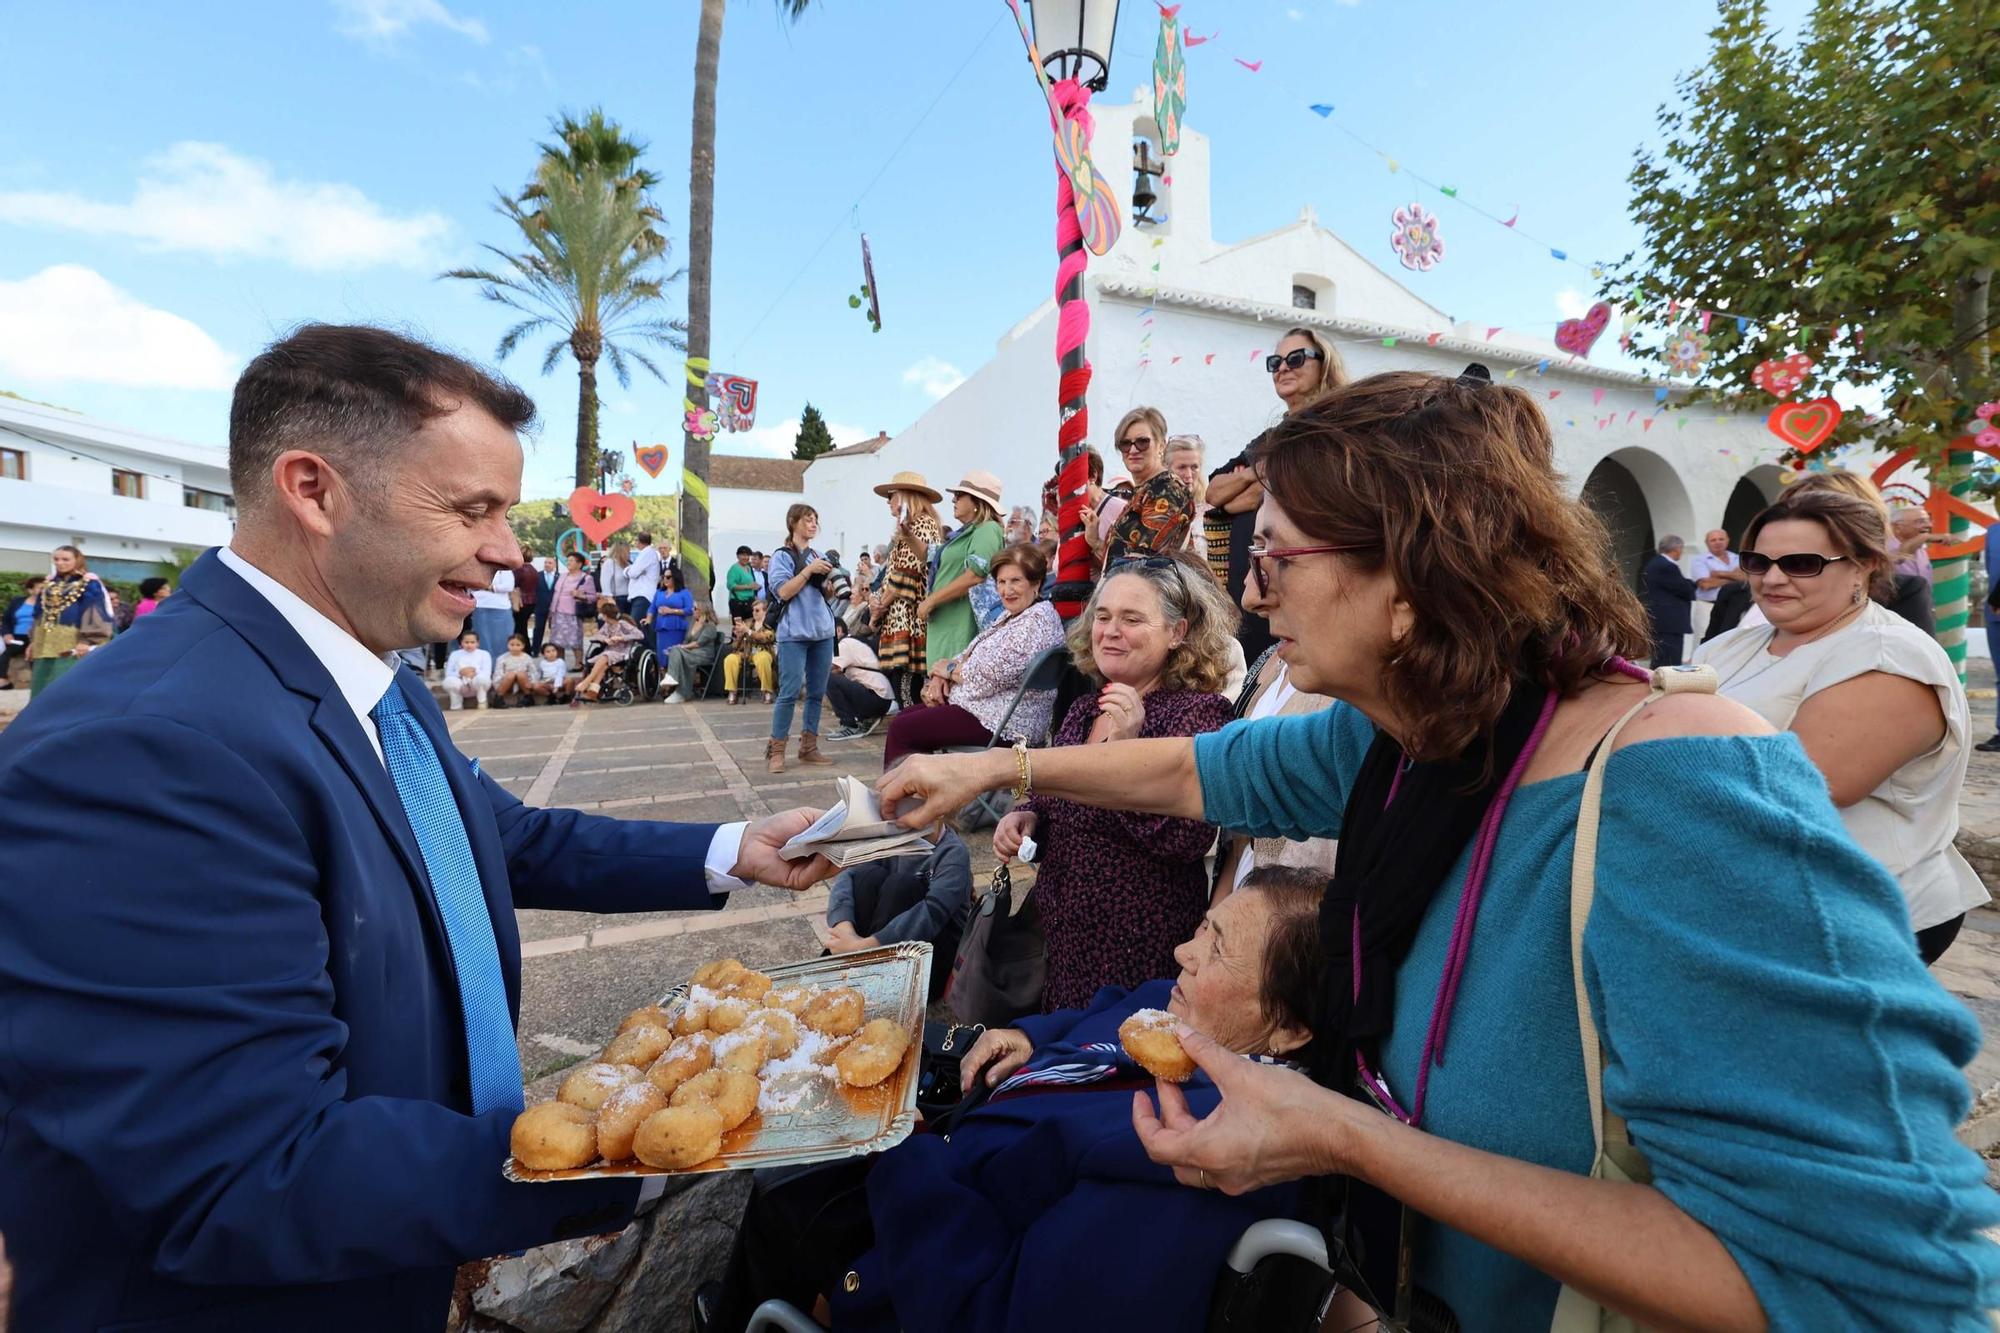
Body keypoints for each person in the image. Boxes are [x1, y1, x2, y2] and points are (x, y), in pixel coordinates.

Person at [880, 367, 2000, 1329]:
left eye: (1274, 559)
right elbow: (1193, 771)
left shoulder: (1684, 791)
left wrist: (1352, 1143)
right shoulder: (1423, 738)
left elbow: (1868, 1287)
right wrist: (996, 769)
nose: (1255, 597)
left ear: (1409, 580)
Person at [0, 324, 834, 1333]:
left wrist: (727, 848)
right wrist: (640, 1145)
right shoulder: (149, 746)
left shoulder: (366, 673)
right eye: (472, 508)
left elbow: (498, 837)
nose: (508, 552)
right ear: (313, 490)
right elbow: (248, 1169)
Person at [698, 866, 1326, 1333]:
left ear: (1289, 1030)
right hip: (976, 1115)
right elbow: (1111, 1005)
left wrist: (907, 1150)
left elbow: (987, 1312)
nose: (1182, 953)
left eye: (1216, 950)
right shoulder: (1184, 1014)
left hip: (930, 1224)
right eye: (1201, 929)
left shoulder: (1195, 1161)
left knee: (785, 1196)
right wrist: (1029, 1033)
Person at [1695, 484, 1989, 963]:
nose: (1772, 579)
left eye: (1801, 563)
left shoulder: (1888, 655)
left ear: (1864, 565)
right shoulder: (1731, 647)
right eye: (1758, 562)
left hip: (1853, 912)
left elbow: (1811, 780)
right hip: (1754, 901)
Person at [992, 552, 1236, 1011]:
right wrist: (1025, 816)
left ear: (1177, 633)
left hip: (1136, 949)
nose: (1110, 631)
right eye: (1102, 616)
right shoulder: (1086, 709)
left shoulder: (1199, 714)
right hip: (1064, 938)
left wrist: (1127, 749)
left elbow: (1189, 838)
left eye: (1132, 618)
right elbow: (1050, 798)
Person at [1204, 327, 1347, 661]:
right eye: (1275, 361)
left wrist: (1254, 486)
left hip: (1295, 578)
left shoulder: (1334, 425)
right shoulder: (1269, 436)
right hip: (1251, 583)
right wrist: (1259, 473)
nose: (1283, 368)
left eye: (1295, 358)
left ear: (1323, 363)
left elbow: (1285, 487)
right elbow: (1214, 493)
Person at [880, 543, 1065, 768]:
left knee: (903, 729)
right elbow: (969, 653)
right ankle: (919, 794)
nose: (1007, 590)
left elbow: (988, 677)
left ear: (1035, 583)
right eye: (1001, 582)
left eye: (1016, 581)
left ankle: (896, 799)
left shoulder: (1036, 622)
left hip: (1004, 723)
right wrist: (940, 677)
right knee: (904, 719)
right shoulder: (1016, 615)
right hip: (986, 709)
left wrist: (947, 671)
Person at [1210, 643, 1337, 906]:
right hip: (1243, 884)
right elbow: (1241, 826)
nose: (1252, 600)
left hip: (1300, 909)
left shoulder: (1345, 670)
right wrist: (1219, 906)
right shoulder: (1270, 660)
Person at [824, 828, 972, 992]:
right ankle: (857, 966)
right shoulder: (891, 839)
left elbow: (931, 914)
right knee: (867, 876)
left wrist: (865, 948)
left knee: (901, 885)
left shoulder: (953, 853)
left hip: (932, 957)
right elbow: (848, 877)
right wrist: (846, 932)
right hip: (882, 948)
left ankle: (870, 972)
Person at [767, 504, 839, 773]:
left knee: (817, 693)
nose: (813, 524)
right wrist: (809, 571)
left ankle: (808, 747)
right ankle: (777, 751)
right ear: (793, 522)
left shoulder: (819, 555)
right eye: (808, 520)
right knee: (788, 692)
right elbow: (783, 591)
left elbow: (823, 595)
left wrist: (830, 586)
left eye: (815, 520)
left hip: (822, 631)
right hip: (793, 633)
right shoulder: (782, 557)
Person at [871, 471, 944, 708]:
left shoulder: (922, 523)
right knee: (905, 688)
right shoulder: (912, 526)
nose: (888, 501)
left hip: (910, 620)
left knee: (909, 690)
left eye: (892, 495)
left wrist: (880, 605)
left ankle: (914, 742)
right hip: (900, 618)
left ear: (905, 496)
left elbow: (908, 573)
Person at [923, 471, 1008, 671]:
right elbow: (927, 554)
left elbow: (975, 575)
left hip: (961, 624)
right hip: (949, 623)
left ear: (977, 501)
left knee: (948, 692)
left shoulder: (987, 529)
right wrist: (906, 533)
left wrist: (931, 600)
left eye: (960, 495)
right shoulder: (964, 534)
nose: (954, 499)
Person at [1094, 408, 1195, 566]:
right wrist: (1095, 542)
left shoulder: (1168, 491)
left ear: (1161, 445)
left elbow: (1143, 562)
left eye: (1142, 442)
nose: (1133, 450)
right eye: (1125, 444)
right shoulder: (1143, 491)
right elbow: (1121, 557)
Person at [23, 545, 113, 697]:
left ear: (77, 560)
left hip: (72, 641)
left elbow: (93, 612)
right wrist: (33, 641)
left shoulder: (88, 583)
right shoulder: (48, 585)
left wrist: (87, 640)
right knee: (42, 681)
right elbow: (39, 615)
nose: (59, 563)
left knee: (66, 680)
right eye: (56, 559)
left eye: (65, 559)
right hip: (43, 641)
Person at [1640, 534, 1697, 666]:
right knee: (1669, 658)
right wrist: (1693, 584)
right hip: (1670, 621)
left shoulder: (1656, 563)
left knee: (1662, 656)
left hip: (1663, 621)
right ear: (1676, 548)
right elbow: (1684, 589)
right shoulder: (1666, 566)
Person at [826, 634, 895, 741]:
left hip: (877, 698)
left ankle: (850, 726)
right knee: (835, 679)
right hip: (881, 699)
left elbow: (831, 669)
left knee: (828, 679)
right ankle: (865, 719)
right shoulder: (852, 641)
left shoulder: (845, 644)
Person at [574, 598, 643, 704]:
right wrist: (606, 639)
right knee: (603, 662)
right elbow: (598, 635)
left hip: (623, 653)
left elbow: (639, 635)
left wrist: (621, 638)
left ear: (606, 615)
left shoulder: (622, 624)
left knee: (605, 656)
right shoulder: (607, 626)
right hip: (610, 652)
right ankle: (593, 691)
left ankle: (587, 681)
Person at [662, 605, 727, 704]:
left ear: (703, 611)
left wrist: (682, 648)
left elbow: (698, 644)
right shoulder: (692, 623)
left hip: (703, 654)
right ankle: (678, 688)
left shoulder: (710, 626)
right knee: (675, 651)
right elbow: (686, 641)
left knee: (678, 652)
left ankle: (681, 691)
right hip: (691, 652)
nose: (693, 610)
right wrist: (679, 648)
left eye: (695, 608)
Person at [1688, 528, 1742, 644]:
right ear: (1707, 543)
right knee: (1705, 641)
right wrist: (1734, 577)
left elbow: (1747, 579)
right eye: (1713, 540)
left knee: (1730, 640)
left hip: (1734, 607)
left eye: (1721, 539)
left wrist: (1720, 574)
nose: (1718, 542)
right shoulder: (1699, 560)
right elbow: (1705, 584)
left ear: (1727, 541)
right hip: (1707, 606)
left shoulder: (1737, 558)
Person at [723, 602, 777, 705]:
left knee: (763, 659)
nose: (754, 612)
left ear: (765, 611)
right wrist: (738, 635)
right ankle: (732, 692)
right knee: (730, 659)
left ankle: (767, 691)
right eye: (753, 610)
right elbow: (735, 646)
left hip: (762, 651)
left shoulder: (769, 624)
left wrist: (748, 631)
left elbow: (765, 638)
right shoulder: (747, 623)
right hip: (746, 652)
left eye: (757, 610)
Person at [550, 551, 596, 667]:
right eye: (568, 560)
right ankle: (560, 664)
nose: (568, 562)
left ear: (579, 564)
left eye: (571, 560)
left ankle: (578, 664)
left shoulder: (586, 578)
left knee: (575, 640)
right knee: (557, 640)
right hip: (557, 612)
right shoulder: (562, 575)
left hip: (573, 613)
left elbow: (593, 597)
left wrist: (580, 595)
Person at [1, 576, 43, 690]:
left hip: (36, 636)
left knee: (32, 654)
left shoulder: (47, 604)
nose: (44, 590)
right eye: (40, 588)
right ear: (30, 590)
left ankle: (38, 684)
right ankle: (2, 680)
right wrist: (6, 634)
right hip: (17, 637)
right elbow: (6, 620)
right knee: (7, 653)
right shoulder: (17, 601)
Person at [647, 565, 695, 661]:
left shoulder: (684, 593)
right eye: (663, 577)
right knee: (662, 656)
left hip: (676, 628)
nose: (665, 579)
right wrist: (648, 619)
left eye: (668, 577)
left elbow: (690, 609)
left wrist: (672, 611)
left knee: (673, 655)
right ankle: (663, 673)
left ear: (676, 578)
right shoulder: (659, 592)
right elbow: (652, 608)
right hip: (661, 628)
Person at [442, 630, 494, 710]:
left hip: (477, 684)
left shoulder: (484, 654)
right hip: (460, 683)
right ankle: (456, 705)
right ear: (461, 642)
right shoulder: (455, 654)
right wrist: (460, 673)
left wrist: (474, 672)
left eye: (472, 642)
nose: (469, 645)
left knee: (482, 679)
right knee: (448, 681)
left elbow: (487, 673)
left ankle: (482, 702)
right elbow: (448, 673)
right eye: (466, 642)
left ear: (478, 643)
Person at [470, 566, 514, 659]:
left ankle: (500, 664)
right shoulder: (476, 567)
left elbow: (509, 586)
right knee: (483, 638)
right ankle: (485, 665)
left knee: (502, 638)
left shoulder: (504, 569)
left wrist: (489, 587)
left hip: (501, 607)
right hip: (480, 606)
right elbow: (471, 585)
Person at [625, 531, 663, 622]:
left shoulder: (647, 553)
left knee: (636, 624)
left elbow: (633, 573)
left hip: (643, 595)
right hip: (642, 595)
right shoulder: (647, 553)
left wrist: (626, 571)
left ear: (639, 541)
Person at [490, 633, 535, 708]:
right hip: (507, 684)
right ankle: (498, 698)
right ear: (508, 645)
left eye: (518, 645)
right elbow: (498, 673)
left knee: (521, 674)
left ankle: (528, 697)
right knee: (511, 675)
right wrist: (499, 684)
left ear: (523, 646)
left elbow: (533, 672)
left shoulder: (527, 658)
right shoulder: (502, 658)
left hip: (523, 684)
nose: (515, 647)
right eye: (512, 645)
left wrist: (532, 683)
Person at [528, 554, 556, 653]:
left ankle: (553, 651)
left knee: (555, 630)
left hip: (555, 608)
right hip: (540, 607)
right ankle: (535, 650)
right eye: (546, 562)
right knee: (538, 629)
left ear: (554, 565)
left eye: (550, 563)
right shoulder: (537, 575)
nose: (547, 564)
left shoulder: (559, 577)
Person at [725, 545, 759, 621]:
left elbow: (751, 582)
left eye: (748, 555)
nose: (746, 557)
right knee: (739, 628)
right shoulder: (734, 568)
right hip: (738, 602)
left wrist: (755, 587)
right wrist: (747, 587)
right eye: (743, 555)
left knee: (749, 625)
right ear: (738, 556)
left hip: (749, 602)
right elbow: (730, 585)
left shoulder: (748, 567)